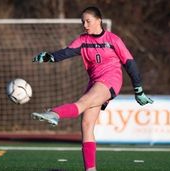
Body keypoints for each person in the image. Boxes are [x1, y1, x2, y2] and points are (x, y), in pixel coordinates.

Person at [31, 6, 153, 171]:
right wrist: (50, 57)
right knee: (87, 125)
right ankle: (91, 169)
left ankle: (55, 114)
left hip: (111, 81)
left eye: (88, 21)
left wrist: (138, 89)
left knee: (83, 102)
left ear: (99, 20)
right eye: (83, 22)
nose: (85, 25)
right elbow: (67, 52)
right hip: (95, 82)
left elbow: (130, 63)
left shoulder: (113, 40)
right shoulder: (83, 40)